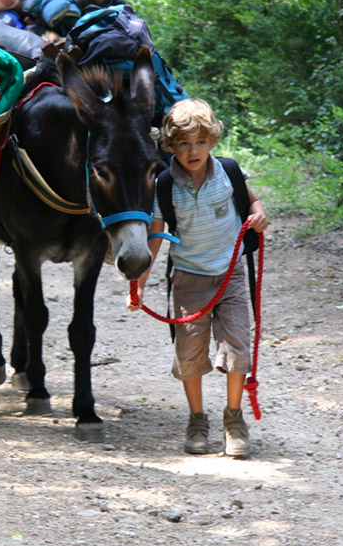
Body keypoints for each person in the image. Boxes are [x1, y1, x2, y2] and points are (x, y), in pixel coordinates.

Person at [126, 98, 268, 457]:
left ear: (212, 142)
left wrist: (260, 214)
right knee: (189, 353)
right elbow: (156, 237)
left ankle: (234, 420)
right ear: (171, 146)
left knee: (237, 348)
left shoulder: (229, 172)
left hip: (231, 274)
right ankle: (196, 419)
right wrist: (139, 284)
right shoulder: (164, 185)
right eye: (185, 143)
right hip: (189, 280)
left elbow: (253, 203)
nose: (194, 150)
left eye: (201, 142)